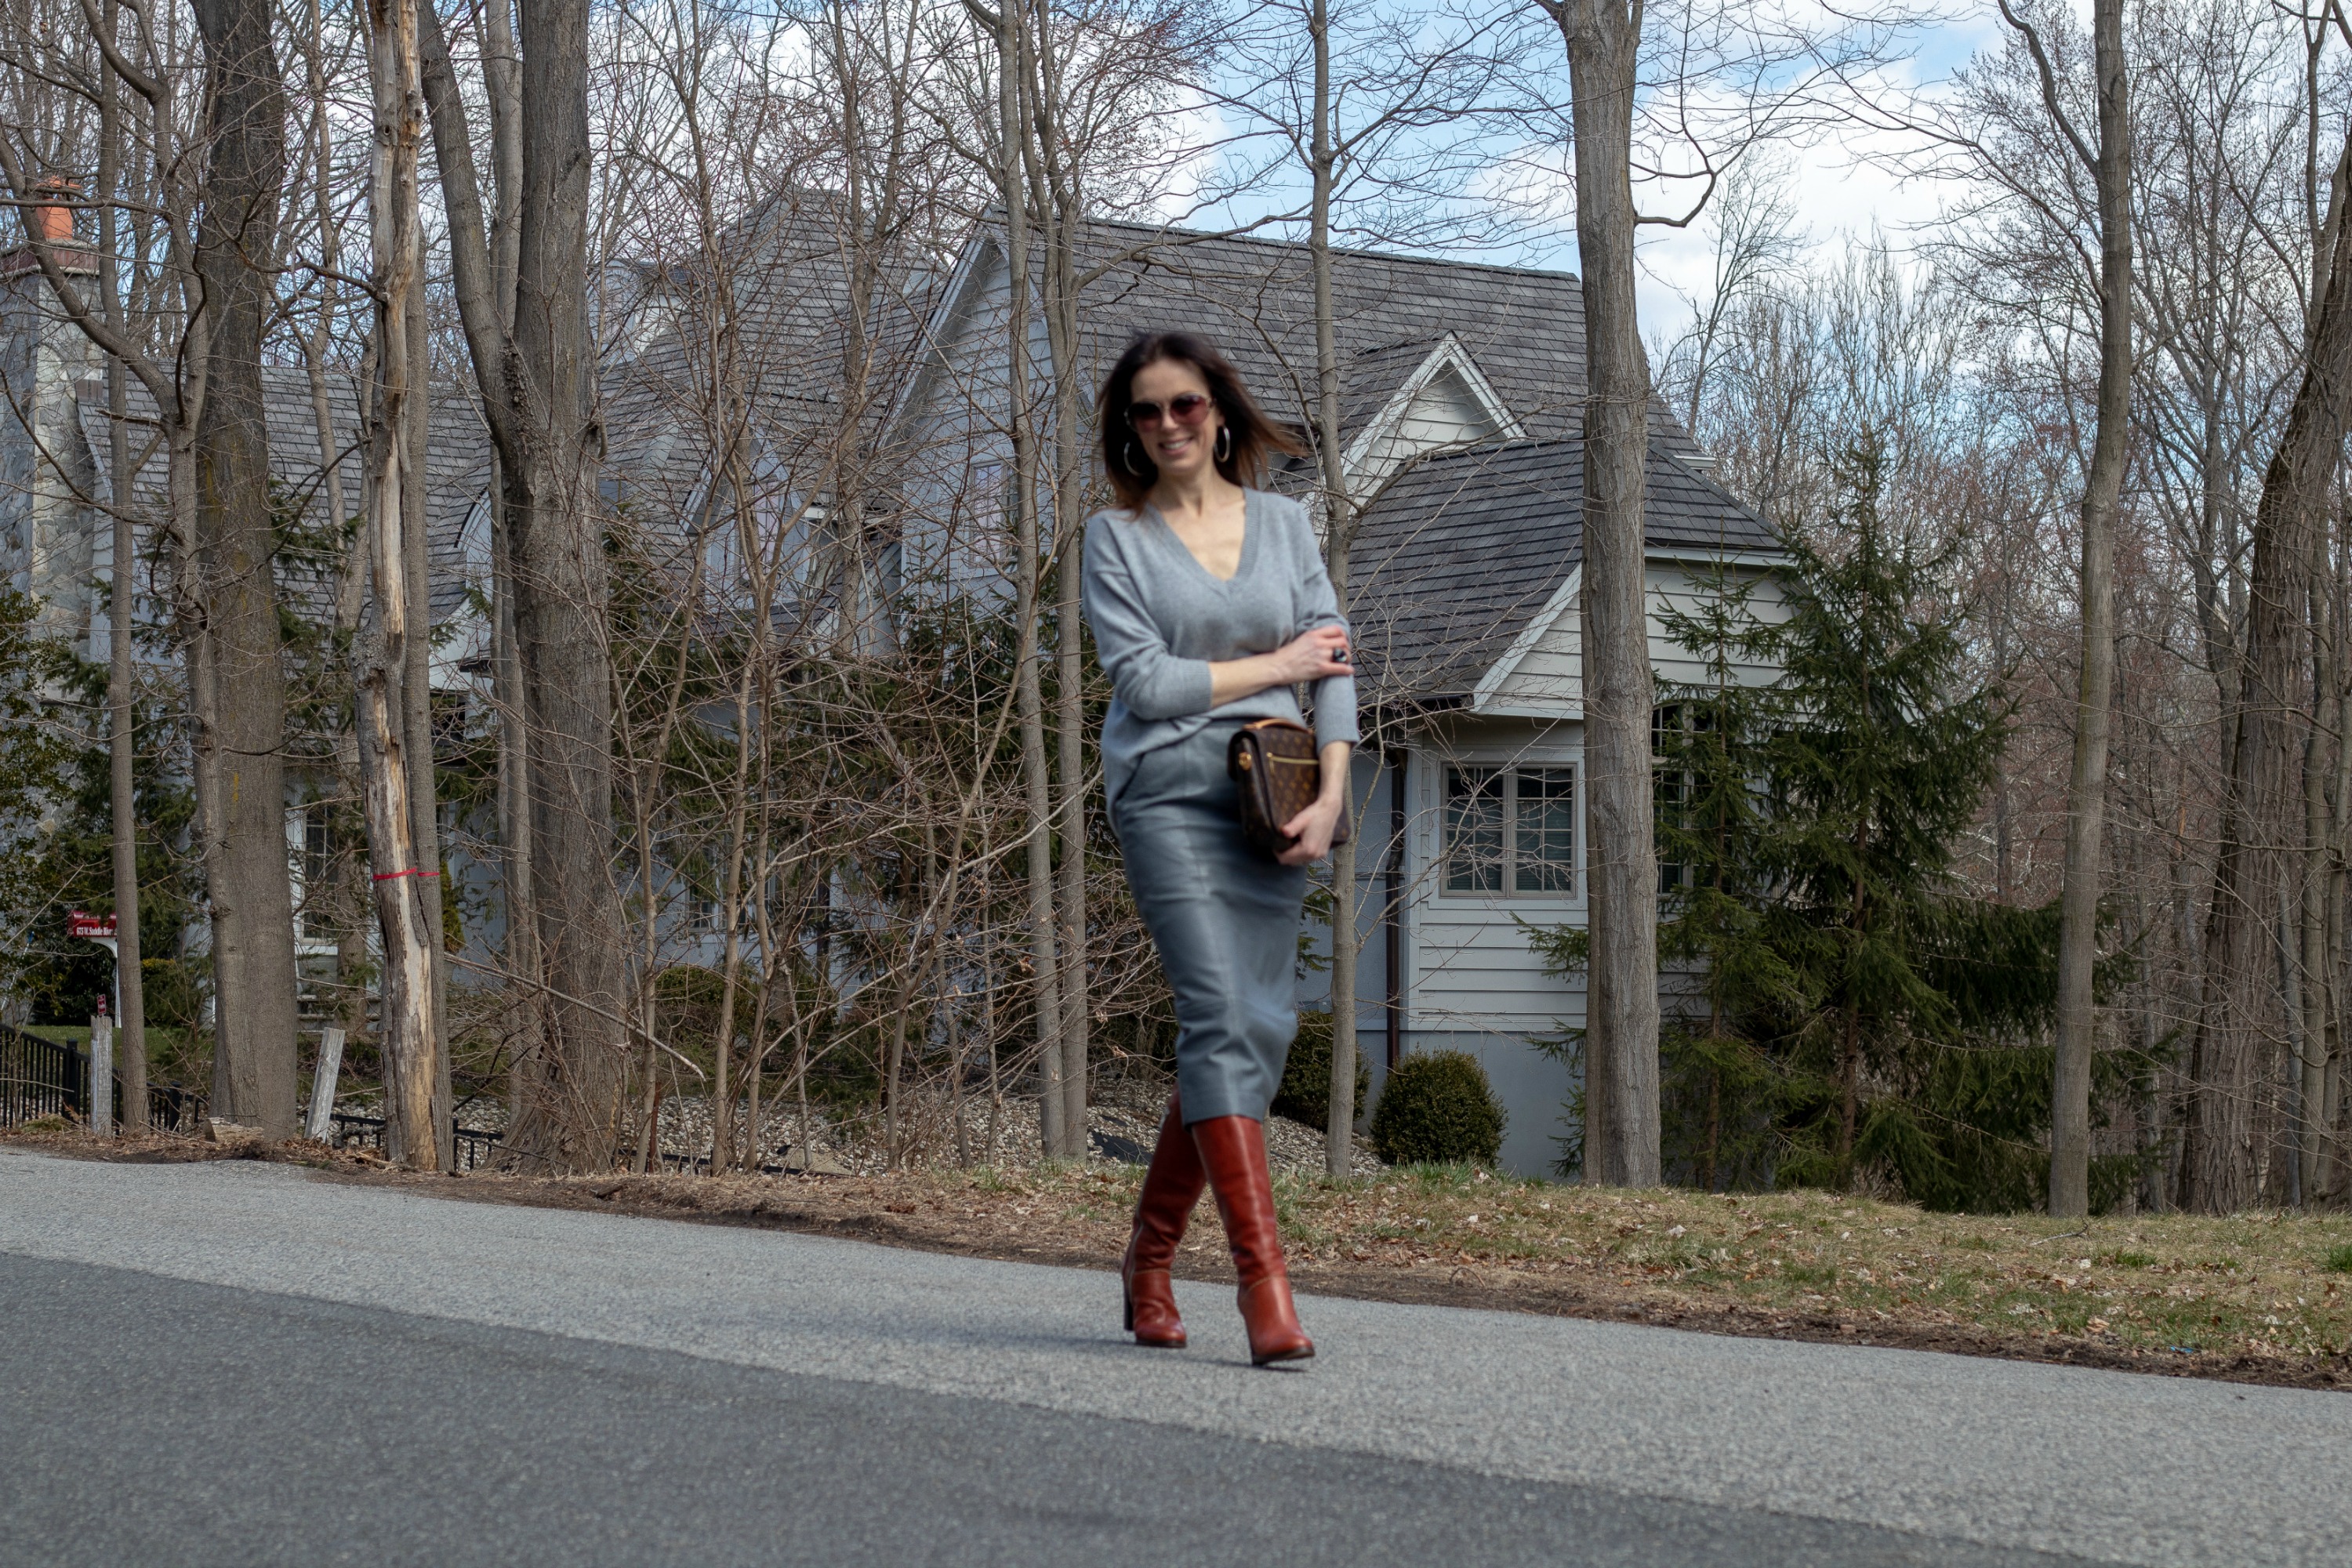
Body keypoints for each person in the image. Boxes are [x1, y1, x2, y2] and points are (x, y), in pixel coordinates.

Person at [1080, 332, 1356, 1366]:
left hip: (1272, 801)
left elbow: (1335, 666)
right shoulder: (1117, 542)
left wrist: (1333, 797)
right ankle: (1264, 1288)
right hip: (1165, 798)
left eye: (1183, 406)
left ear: (1220, 413)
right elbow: (1145, 685)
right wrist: (1275, 660)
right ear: (1130, 434)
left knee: (1260, 1031)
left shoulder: (1284, 526)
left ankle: (1150, 1261)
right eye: (1145, 414)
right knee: (1219, 1013)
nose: (1166, 427)